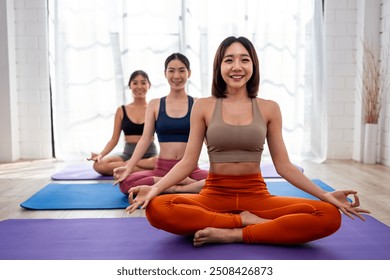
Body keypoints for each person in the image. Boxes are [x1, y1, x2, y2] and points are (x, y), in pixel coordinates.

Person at [125, 36, 370, 247]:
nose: (237, 66)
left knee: (328, 215)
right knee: (157, 209)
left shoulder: (269, 108)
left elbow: (284, 166)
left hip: (257, 195)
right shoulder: (204, 106)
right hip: (213, 193)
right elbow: (189, 162)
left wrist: (326, 195)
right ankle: (243, 222)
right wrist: (156, 189)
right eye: (229, 59)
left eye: (244, 59)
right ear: (219, 66)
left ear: (253, 64)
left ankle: (236, 234)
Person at [113, 53, 208, 195]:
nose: (176, 76)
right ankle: (180, 185)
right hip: (162, 170)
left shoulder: (197, 103)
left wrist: (222, 167)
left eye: (182, 70)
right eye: (171, 70)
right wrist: (129, 166)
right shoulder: (155, 104)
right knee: (126, 183)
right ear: (165, 73)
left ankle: (168, 186)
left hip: (190, 170)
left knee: (224, 182)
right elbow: (145, 139)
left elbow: (208, 141)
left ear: (189, 73)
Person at [88, 70, 158, 176]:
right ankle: (135, 168)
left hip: (149, 157)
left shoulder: (154, 108)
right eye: (135, 83)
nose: (139, 86)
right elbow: (113, 140)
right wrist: (101, 154)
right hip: (127, 154)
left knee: (160, 163)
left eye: (143, 82)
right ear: (130, 86)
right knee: (98, 165)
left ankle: (129, 166)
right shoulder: (121, 110)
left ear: (149, 85)